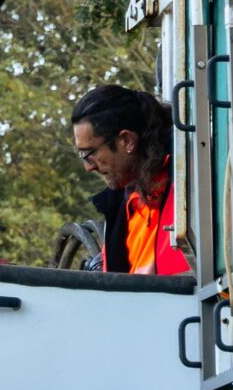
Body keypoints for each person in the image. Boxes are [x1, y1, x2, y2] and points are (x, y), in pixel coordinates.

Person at [71, 85, 190, 275]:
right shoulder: (123, 204)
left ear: (127, 141)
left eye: (90, 154)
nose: (89, 167)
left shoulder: (188, 185)